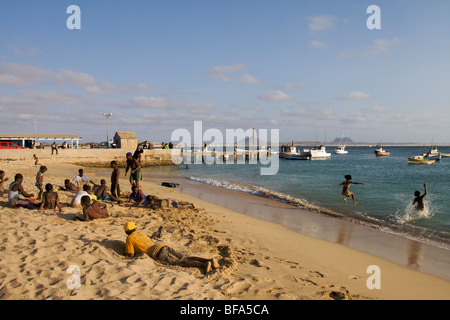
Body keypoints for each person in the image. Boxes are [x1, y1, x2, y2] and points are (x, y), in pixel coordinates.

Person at [123, 222, 219, 274]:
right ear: (135, 228)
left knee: (180, 262)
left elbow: (130, 254)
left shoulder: (129, 238)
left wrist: (127, 254)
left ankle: (204, 265)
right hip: (161, 245)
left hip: (157, 252)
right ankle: (209, 259)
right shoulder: (140, 232)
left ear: (127, 232)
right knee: (185, 257)